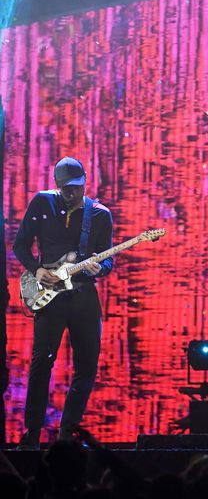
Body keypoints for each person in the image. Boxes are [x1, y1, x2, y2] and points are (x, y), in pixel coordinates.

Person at [13, 157, 113, 450]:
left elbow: (107, 258)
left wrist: (101, 267)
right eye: (67, 189)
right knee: (41, 363)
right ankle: (32, 434)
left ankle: (67, 433)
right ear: (57, 185)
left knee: (87, 365)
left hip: (84, 297)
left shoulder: (99, 214)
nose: (73, 194)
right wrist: (36, 269)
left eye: (78, 188)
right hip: (49, 297)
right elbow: (20, 244)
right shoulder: (41, 203)